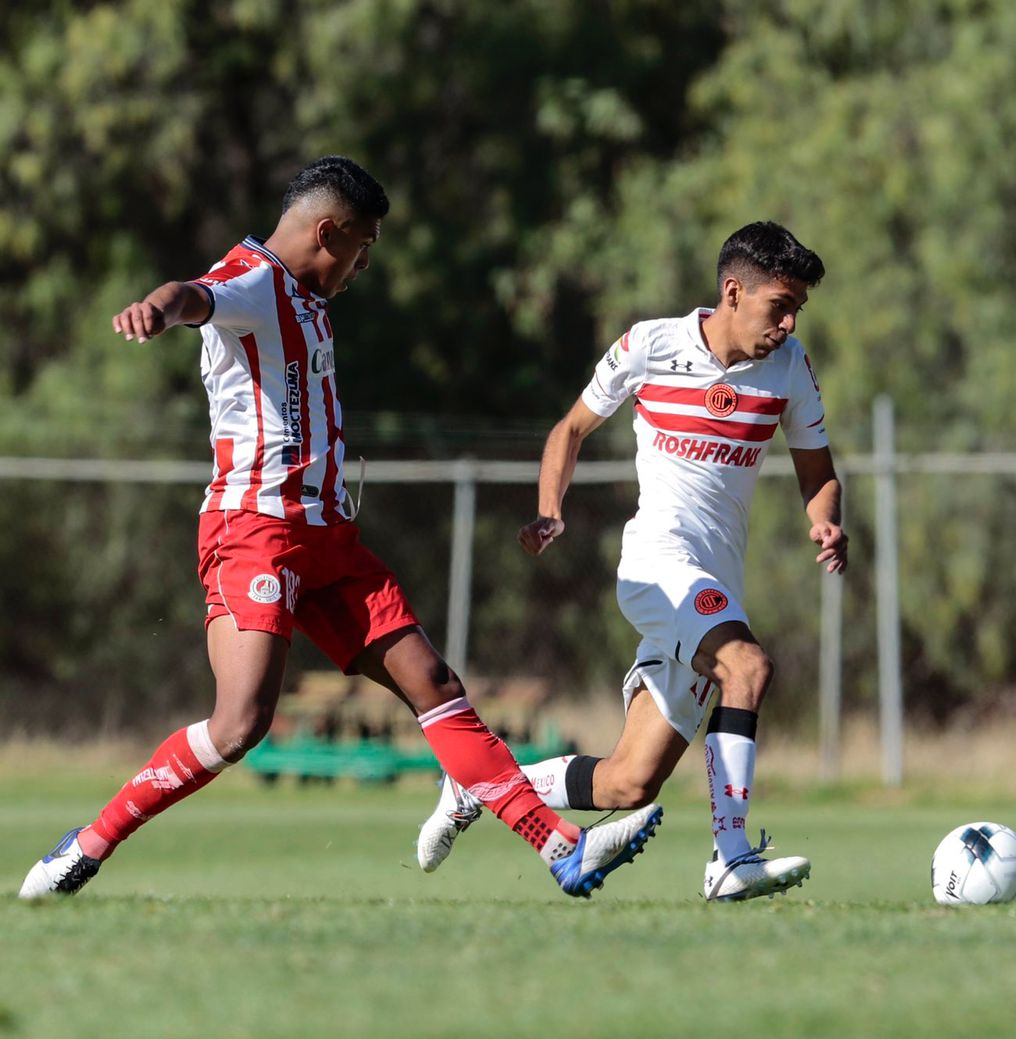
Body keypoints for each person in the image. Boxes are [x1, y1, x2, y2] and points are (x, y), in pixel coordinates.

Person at [19, 156, 659, 900]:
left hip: (329, 537)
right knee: (239, 726)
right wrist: (156, 310)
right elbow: (195, 295)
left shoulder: (309, 300)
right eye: (363, 247)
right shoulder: (253, 279)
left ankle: (562, 848)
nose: (361, 265)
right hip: (256, 528)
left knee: (433, 681)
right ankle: (87, 845)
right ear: (328, 230)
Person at [414, 221, 846, 901]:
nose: (789, 323)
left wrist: (825, 520)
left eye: (797, 310)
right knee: (749, 666)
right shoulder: (651, 344)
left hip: (714, 581)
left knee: (628, 781)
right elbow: (571, 427)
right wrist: (550, 507)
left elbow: (817, 468)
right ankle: (730, 858)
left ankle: (479, 784)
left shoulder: (789, 368)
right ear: (733, 292)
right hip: (658, 565)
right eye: (779, 306)